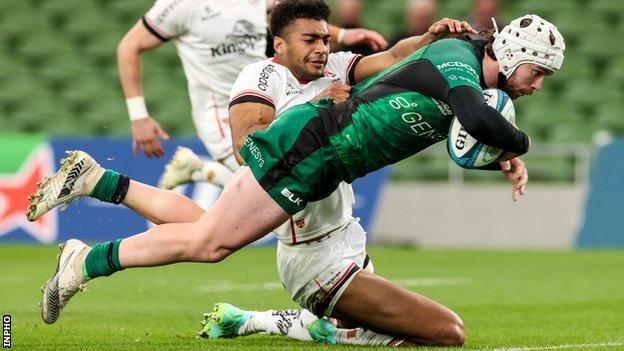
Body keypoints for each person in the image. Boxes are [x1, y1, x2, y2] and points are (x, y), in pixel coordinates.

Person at [30, 11, 564, 346]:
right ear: (513, 54)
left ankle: (99, 202)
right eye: (537, 72)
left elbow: (450, 116)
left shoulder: (453, 67)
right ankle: (84, 261)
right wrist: (521, 146)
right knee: (210, 242)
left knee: (212, 232)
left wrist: (498, 156)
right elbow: (474, 118)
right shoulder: (458, 61)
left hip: (320, 172)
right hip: (309, 155)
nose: (538, 86)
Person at [117, 0, 387, 190]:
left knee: (279, 190)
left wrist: (345, 34)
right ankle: (202, 172)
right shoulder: (180, 5)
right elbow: (129, 46)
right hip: (223, 115)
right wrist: (139, 117)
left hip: (268, 100)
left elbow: (293, 25)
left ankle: (203, 170)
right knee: (271, 186)